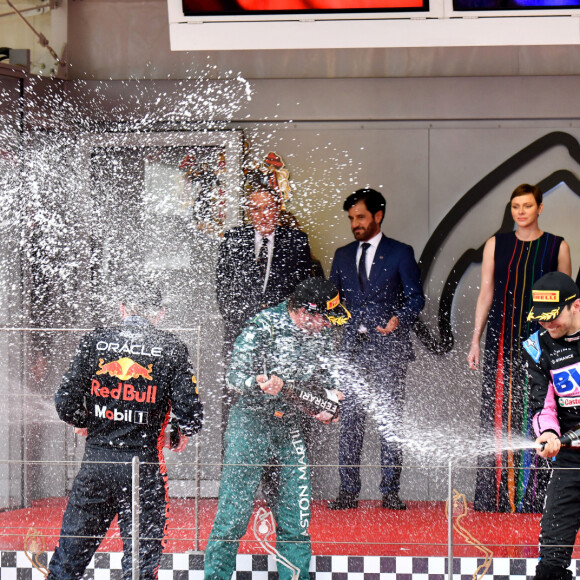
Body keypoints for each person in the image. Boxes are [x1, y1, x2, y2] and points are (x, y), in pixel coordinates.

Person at [47, 281, 204, 580]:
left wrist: (83, 421)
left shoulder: (96, 340)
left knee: (68, 560)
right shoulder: (171, 348)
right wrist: (177, 431)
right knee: (140, 568)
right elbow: (192, 416)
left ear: (122, 309)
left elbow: (65, 401)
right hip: (142, 467)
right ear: (159, 314)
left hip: (96, 463)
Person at [204, 278, 348, 580]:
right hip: (251, 424)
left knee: (296, 516)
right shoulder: (264, 326)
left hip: (290, 426)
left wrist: (330, 403)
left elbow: (327, 382)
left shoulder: (322, 334)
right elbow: (234, 377)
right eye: (324, 319)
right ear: (307, 313)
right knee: (234, 514)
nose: (327, 326)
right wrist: (256, 384)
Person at [467, 183, 571, 513]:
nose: (521, 212)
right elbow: (485, 293)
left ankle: (536, 498)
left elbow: (565, 302)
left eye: (527, 206)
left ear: (540, 208)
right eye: (515, 206)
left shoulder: (558, 245)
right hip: (500, 340)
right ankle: (494, 497)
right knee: (498, 415)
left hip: (541, 343)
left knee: (538, 410)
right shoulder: (496, 244)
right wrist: (474, 338)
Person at [328, 188, 425, 510]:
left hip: (389, 349)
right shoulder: (342, 255)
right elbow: (333, 303)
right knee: (350, 422)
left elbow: (416, 298)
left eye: (361, 217)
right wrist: (338, 321)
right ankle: (347, 491)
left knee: (389, 422)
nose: (355, 223)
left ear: (378, 216)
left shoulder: (400, 252)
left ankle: (390, 492)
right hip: (352, 351)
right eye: (351, 218)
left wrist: (400, 318)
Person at [522, 272, 580, 580]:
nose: (547, 324)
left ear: (576, 306)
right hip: (571, 459)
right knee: (551, 560)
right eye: (541, 318)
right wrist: (547, 433)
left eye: (553, 317)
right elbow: (541, 404)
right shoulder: (536, 347)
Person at [216, 185, 313, 359]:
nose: (263, 214)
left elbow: (303, 291)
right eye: (256, 209)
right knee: (238, 384)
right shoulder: (233, 239)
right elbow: (223, 289)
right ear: (249, 212)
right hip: (240, 334)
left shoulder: (296, 242)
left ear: (277, 209)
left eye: (268, 208)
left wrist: (283, 324)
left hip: (283, 337)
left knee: (280, 385)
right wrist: (243, 322)